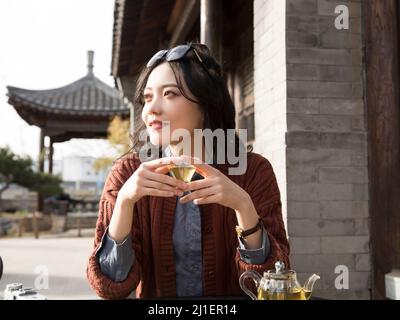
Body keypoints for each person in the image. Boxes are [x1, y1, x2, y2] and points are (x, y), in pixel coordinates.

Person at [86, 43, 289, 299]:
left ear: (205, 104)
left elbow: (272, 282)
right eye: (147, 97)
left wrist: (243, 206)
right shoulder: (126, 173)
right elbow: (109, 287)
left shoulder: (253, 171)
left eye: (169, 94)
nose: (151, 109)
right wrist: (125, 202)